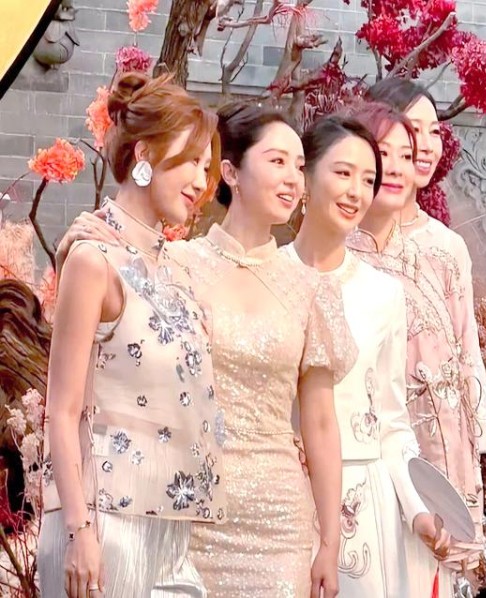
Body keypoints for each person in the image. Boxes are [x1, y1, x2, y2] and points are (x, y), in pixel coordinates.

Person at [57, 102, 355, 598]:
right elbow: (104, 308)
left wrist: (329, 539)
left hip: (279, 520)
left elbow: (321, 423)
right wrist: (78, 238)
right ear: (231, 172)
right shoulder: (172, 264)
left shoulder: (310, 289)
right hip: (182, 512)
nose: (293, 178)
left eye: (300, 166)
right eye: (277, 161)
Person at [38, 72, 226, 598]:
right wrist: (80, 532)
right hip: (103, 526)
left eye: (207, 167)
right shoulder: (92, 259)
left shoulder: (175, 271)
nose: (201, 181)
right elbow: (61, 409)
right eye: (191, 161)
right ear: (144, 154)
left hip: (171, 527)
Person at [282, 112, 452, 597]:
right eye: (343, 173)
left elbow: (392, 423)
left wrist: (417, 509)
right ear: (305, 176)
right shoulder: (265, 276)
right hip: (280, 496)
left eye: (368, 179)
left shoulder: (383, 294)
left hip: (363, 506)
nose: (356, 192)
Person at [346, 87, 486, 597]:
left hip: (447, 439)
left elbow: (467, 353)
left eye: (432, 133)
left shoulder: (446, 247)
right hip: (380, 442)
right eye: (411, 134)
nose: (425, 146)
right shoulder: (342, 251)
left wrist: (475, 449)